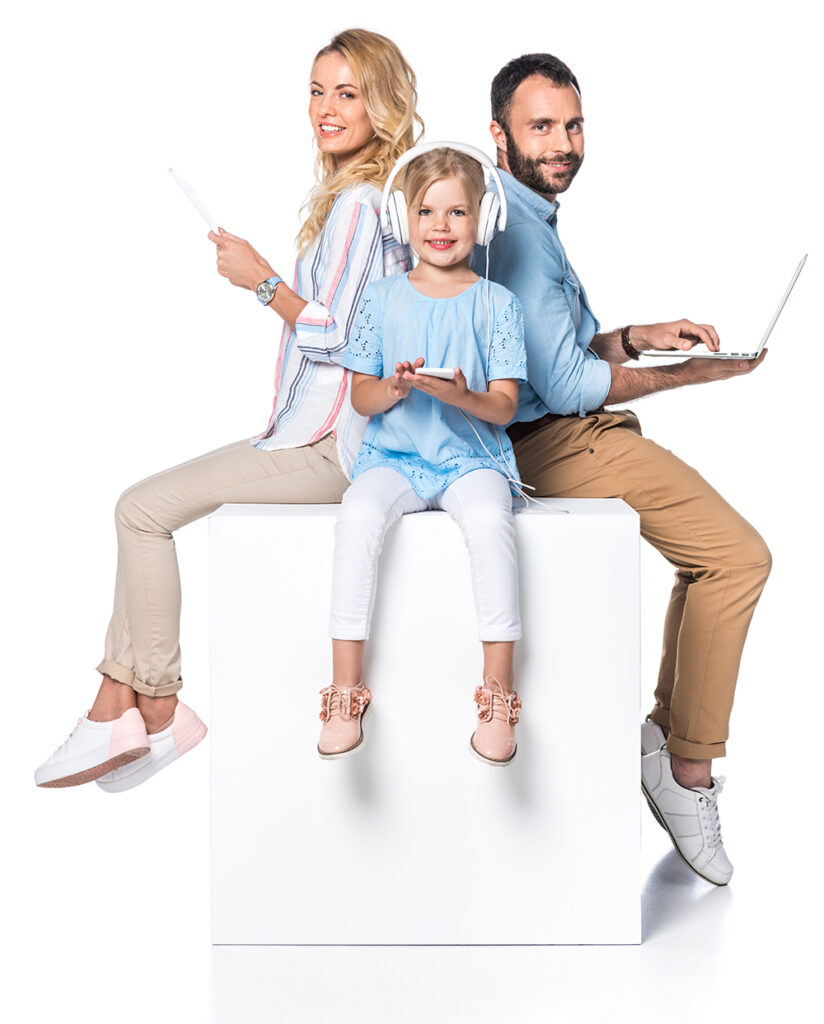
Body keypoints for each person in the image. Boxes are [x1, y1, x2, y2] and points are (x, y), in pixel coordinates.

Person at [34, 27, 423, 792]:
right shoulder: (364, 200)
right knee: (144, 508)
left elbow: (343, 338)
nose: (327, 108)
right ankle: (124, 703)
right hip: (322, 434)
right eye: (317, 91)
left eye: (348, 93)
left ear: (383, 104)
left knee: (140, 510)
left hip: (337, 447)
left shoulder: (361, 205)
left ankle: (155, 705)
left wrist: (260, 281)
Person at [476, 53, 771, 881]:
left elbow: (560, 353)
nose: (563, 143)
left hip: (562, 426)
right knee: (738, 558)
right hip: (551, 443)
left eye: (572, 125)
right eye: (541, 127)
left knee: (708, 558)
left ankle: (673, 741)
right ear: (498, 136)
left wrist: (642, 336)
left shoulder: (528, 216)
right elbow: (565, 385)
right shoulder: (521, 239)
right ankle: (685, 771)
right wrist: (699, 374)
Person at [318, 145, 527, 766]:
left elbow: (505, 407)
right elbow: (361, 398)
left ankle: (497, 693)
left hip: (472, 461)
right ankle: (345, 689)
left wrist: (464, 396)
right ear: (402, 220)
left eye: (458, 212)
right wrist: (396, 387)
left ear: (483, 220)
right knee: (357, 516)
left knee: (491, 521)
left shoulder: (498, 305)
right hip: (394, 457)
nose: (441, 226)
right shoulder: (380, 300)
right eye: (427, 212)